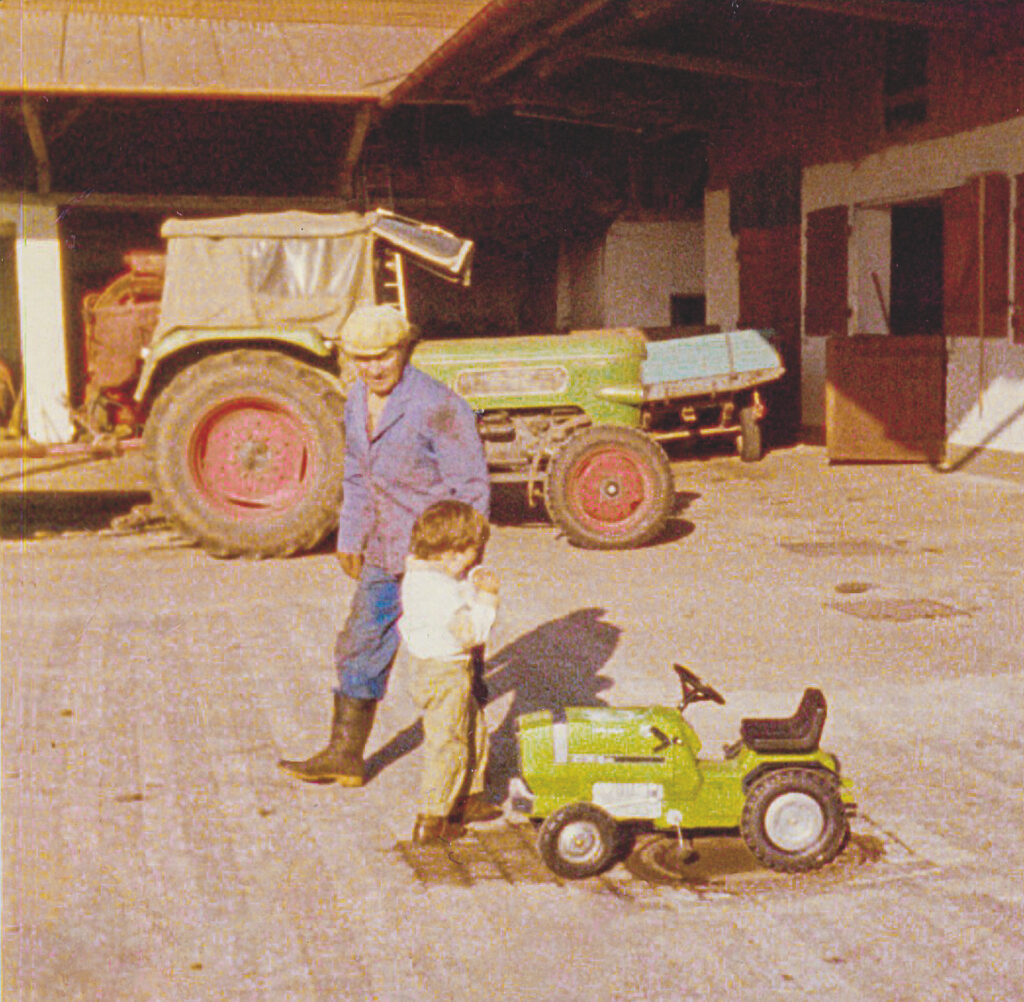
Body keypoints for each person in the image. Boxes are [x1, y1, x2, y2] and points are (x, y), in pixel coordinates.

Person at [278, 304, 489, 787]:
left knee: (453, 659)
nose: (373, 368)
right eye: (361, 358)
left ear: (404, 349)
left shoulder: (440, 405)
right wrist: (350, 533)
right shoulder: (355, 399)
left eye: (383, 356)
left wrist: (461, 564)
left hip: (437, 562)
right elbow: (357, 472)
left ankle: (469, 782)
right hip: (382, 549)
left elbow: (472, 490)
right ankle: (345, 754)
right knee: (360, 643)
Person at [399, 500, 503, 844]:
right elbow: (472, 633)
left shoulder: (421, 574)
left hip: (429, 667)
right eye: (471, 556)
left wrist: (471, 581)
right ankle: (433, 818)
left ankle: (469, 796)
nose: (472, 562)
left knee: (473, 727)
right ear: (451, 554)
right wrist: (487, 599)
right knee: (448, 743)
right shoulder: (440, 592)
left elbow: (456, 587)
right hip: (445, 672)